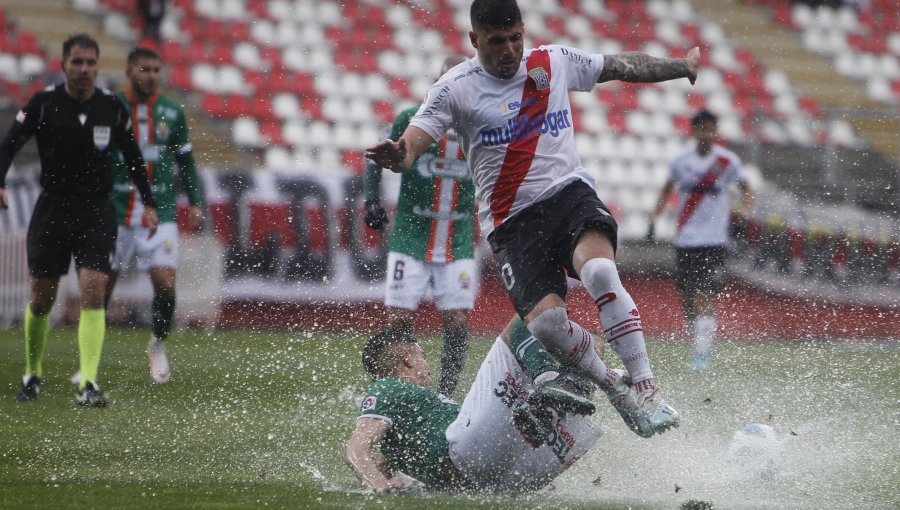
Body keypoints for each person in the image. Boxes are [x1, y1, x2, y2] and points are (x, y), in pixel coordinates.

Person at [367, 0, 699, 437]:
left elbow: (622, 66)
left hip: (568, 194)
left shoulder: (551, 61)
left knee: (599, 271)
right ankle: (616, 387)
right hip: (511, 223)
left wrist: (681, 66)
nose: (508, 50)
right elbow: (411, 144)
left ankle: (648, 389)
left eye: (514, 38)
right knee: (546, 325)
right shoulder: (455, 88)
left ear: (524, 31)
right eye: (496, 42)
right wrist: (399, 155)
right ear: (474, 40)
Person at [0, 34, 158, 407]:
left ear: (98, 66)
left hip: (95, 210)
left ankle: (88, 383)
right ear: (64, 65)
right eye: (77, 63)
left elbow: (133, 155)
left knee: (93, 288)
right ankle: (32, 372)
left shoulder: (111, 108)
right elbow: (9, 143)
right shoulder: (44, 104)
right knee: (41, 298)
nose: (84, 69)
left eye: (90, 63)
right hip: (52, 208)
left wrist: (148, 202)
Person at [346, 318, 612, 493]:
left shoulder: (404, 432)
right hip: (481, 460)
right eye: (423, 357)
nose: (428, 368)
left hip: (499, 479)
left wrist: (383, 477)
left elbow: (385, 458)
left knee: (590, 343)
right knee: (527, 317)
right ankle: (561, 380)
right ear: (407, 359)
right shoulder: (387, 388)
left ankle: (574, 384)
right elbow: (357, 447)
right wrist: (379, 483)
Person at [363, 55, 476, 398]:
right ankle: (400, 389)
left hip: (457, 239)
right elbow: (374, 159)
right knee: (398, 321)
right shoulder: (409, 120)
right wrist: (371, 199)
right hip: (411, 235)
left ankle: (443, 395)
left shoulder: (483, 125)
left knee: (457, 320)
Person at [106, 46, 203, 384]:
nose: (150, 75)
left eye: (155, 70)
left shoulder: (171, 112)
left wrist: (195, 201)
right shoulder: (112, 107)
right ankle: (90, 360)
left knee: (165, 283)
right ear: (129, 70)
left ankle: (157, 343)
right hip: (116, 210)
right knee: (101, 286)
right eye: (144, 69)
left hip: (160, 211)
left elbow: (186, 162)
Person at [648, 109, 752, 371]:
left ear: (716, 132)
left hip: (714, 240)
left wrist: (742, 212)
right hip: (686, 239)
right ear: (693, 131)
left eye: (711, 129)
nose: (707, 134)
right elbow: (665, 190)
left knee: (707, 294)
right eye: (702, 129)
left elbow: (747, 190)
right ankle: (699, 341)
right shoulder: (681, 162)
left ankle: (701, 354)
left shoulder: (727, 161)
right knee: (686, 296)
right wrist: (654, 217)